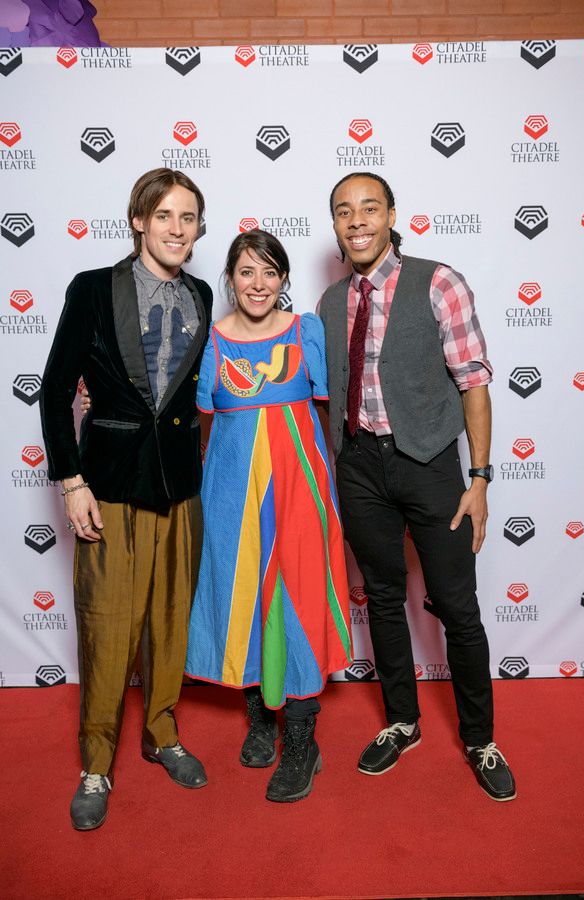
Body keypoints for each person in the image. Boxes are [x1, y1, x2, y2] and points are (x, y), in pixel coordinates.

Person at [318, 172, 516, 802]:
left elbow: (474, 383)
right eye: (344, 212)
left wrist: (479, 477)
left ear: (392, 214)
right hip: (359, 467)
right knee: (381, 597)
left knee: (458, 607)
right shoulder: (328, 303)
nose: (357, 221)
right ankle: (403, 722)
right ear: (335, 226)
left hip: (430, 464)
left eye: (369, 208)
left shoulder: (438, 281)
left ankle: (481, 738)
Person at [40, 168, 213, 831]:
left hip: (179, 486)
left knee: (171, 621)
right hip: (108, 483)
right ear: (139, 220)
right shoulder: (92, 289)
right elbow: (56, 390)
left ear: (199, 230)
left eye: (189, 217)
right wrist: (71, 480)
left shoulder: (201, 293)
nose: (176, 228)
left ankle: (162, 732)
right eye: (164, 215)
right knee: (110, 626)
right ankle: (96, 761)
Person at [185, 229, 352, 803]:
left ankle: (302, 739)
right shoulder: (211, 342)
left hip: (301, 487)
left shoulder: (306, 330)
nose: (258, 284)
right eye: (246, 272)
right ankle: (259, 715)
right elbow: (194, 417)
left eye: (270, 272)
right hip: (232, 489)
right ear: (230, 278)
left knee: (298, 596)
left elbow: (333, 412)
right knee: (246, 596)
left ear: (283, 279)